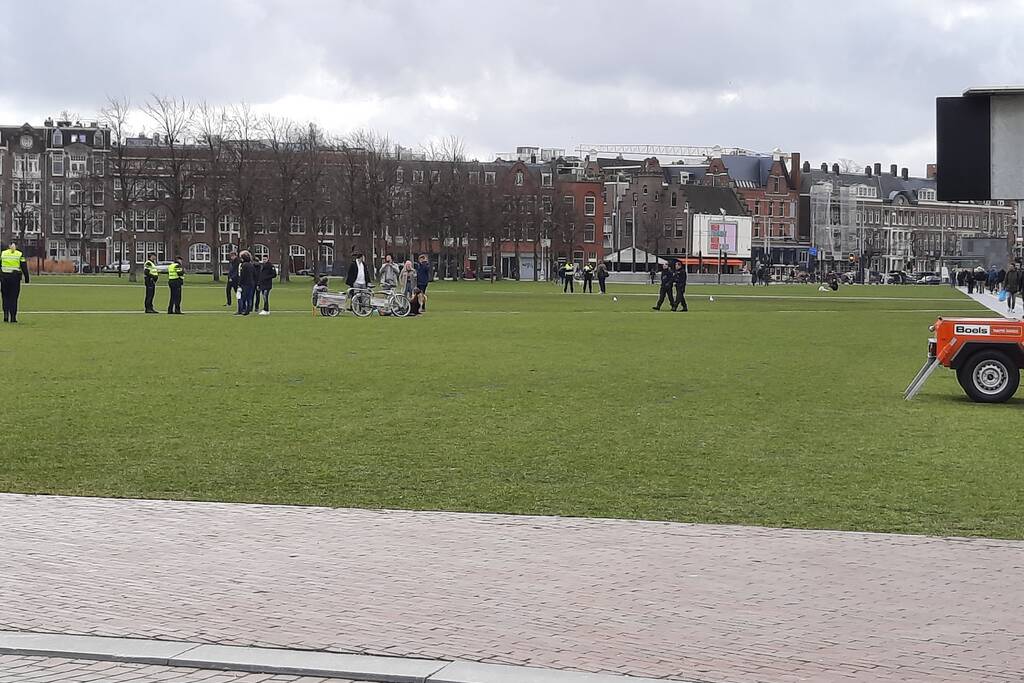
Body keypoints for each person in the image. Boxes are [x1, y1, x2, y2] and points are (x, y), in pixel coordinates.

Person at [0, 241, 29, 323]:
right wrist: (26, 278)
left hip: (4, 278)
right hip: (15, 279)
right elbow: (24, 266)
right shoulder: (19, 254)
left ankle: (5, 316)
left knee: (5, 297)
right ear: (16, 246)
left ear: (9, 246)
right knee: (14, 298)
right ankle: (13, 318)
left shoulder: (3, 253)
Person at [236, 251, 256, 315]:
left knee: (242, 297)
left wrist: (239, 284)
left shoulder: (243, 265)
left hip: (245, 284)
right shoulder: (251, 265)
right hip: (251, 283)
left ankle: (241, 310)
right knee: (249, 298)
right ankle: (248, 310)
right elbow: (254, 274)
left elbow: (242, 276)